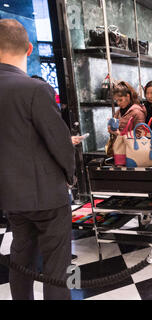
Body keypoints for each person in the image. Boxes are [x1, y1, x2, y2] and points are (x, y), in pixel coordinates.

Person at [0, 19, 75, 300]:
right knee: (57, 268)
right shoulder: (33, 89)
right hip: (47, 195)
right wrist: (71, 176)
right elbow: (60, 143)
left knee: (21, 260)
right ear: (29, 49)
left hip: (11, 197)